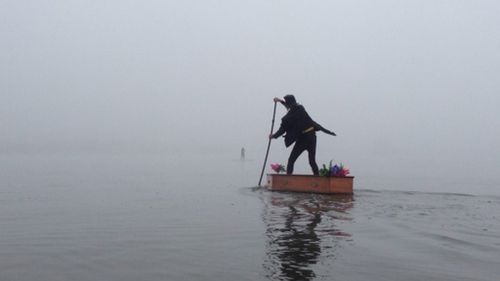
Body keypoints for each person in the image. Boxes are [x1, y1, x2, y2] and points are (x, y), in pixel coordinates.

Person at [269, 95, 336, 175]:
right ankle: (317, 179)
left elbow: (283, 129)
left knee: (292, 160)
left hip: (304, 139)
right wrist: (280, 101)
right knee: (311, 161)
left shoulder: (292, 114)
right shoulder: (300, 108)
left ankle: (288, 179)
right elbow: (290, 107)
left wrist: (273, 136)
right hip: (311, 137)